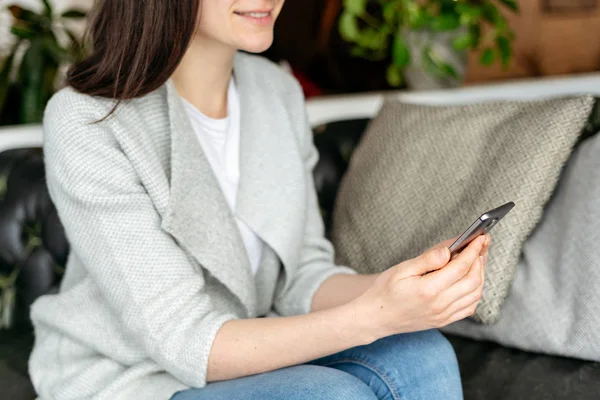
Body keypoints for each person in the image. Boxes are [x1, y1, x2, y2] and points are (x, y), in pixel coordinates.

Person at [29, 1, 490, 399]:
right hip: (129, 379)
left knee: (421, 351)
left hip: (245, 347)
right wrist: (375, 315)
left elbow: (301, 275)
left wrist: (404, 289)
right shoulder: (89, 120)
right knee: (328, 396)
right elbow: (187, 341)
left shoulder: (277, 93)